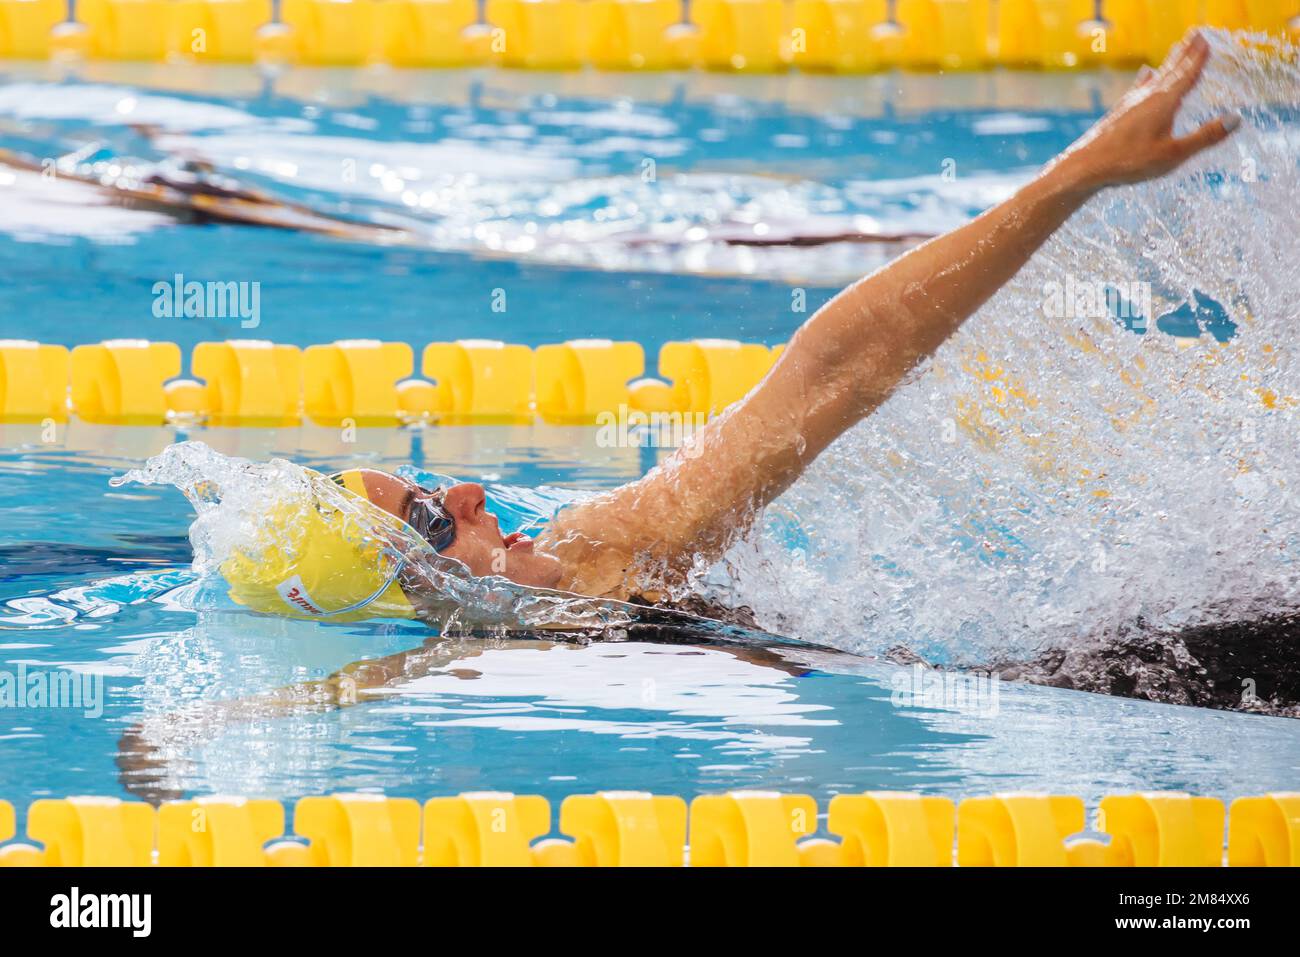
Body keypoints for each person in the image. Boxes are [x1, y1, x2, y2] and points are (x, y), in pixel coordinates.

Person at [335, 33, 1237, 610]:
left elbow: (838, 369)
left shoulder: (598, 549)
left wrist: (1068, 181)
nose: (469, 494)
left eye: (431, 484)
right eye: (429, 519)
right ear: (414, 598)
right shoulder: (506, 642)